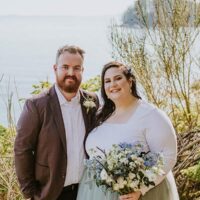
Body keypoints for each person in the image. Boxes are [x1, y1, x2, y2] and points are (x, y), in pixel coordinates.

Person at [77, 61, 179, 200]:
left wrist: (141, 189)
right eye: (107, 81)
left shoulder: (151, 115)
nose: (112, 84)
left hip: (137, 194)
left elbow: (168, 155)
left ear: (130, 82)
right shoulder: (102, 115)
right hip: (96, 193)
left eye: (118, 78)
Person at [14, 45, 99, 200]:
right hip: (51, 193)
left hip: (86, 191)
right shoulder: (36, 105)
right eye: (65, 67)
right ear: (55, 68)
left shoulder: (92, 101)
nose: (71, 73)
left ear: (82, 70)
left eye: (76, 68)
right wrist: (31, 194)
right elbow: (22, 149)